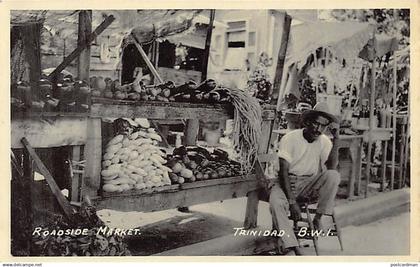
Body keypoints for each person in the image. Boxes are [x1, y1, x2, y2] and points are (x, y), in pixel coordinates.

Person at [269, 102, 341, 256]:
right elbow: (283, 172)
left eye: (323, 126)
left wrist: (336, 139)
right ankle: (294, 246)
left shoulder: (324, 141)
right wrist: (292, 202)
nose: (318, 129)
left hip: (308, 183)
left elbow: (332, 167)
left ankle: (317, 219)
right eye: (315, 124)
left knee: (333, 175)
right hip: (284, 182)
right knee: (276, 203)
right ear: (308, 122)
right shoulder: (290, 138)